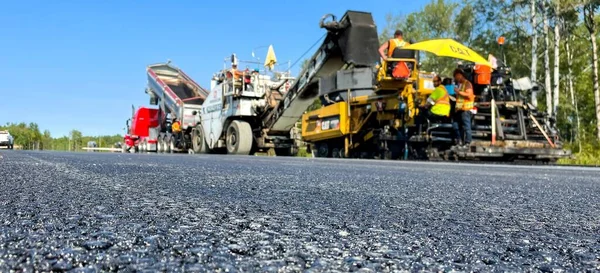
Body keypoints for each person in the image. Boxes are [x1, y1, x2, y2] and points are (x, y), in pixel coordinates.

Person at [452, 68, 475, 147]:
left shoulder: (467, 84)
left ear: (460, 75)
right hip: (460, 109)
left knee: (466, 126)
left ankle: (468, 142)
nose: (456, 79)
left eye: (456, 77)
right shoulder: (461, 85)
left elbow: (469, 95)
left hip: (466, 110)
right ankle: (459, 141)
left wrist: (458, 92)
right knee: (456, 125)